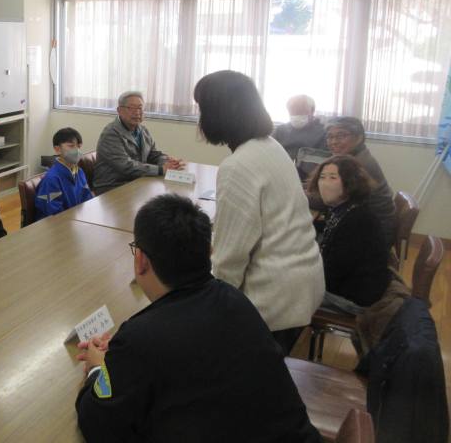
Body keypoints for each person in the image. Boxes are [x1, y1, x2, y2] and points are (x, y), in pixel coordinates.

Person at [75, 194, 321, 443]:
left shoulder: (140, 339)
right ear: (209, 253)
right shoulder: (236, 300)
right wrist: (121, 360)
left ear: (140, 260)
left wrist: (99, 368)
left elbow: (98, 424)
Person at [193, 70, 324, 352]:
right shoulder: (271, 146)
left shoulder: (238, 165)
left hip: (272, 299)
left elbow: (230, 259)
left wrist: (211, 310)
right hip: (302, 283)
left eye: (202, 109)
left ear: (217, 112)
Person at [306, 155, 392, 313]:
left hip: (354, 298)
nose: (324, 183)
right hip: (347, 284)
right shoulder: (345, 209)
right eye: (322, 177)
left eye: (332, 178)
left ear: (350, 183)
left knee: (283, 289)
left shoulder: (359, 221)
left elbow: (330, 276)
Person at [324, 116, 396, 248]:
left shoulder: (356, 164)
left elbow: (327, 199)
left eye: (341, 136)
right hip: (365, 224)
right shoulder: (355, 156)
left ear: (359, 138)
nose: (333, 142)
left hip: (372, 236)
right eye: (330, 136)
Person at [92, 91, 183, 195]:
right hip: (112, 187)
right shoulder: (111, 134)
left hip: (136, 181)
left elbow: (153, 154)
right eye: (131, 108)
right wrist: (161, 170)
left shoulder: (143, 130)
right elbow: (126, 166)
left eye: (140, 108)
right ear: (119, 110)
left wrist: (168, 162)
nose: (137, 112)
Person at [34, 128, 93, 219]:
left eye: (79, 146)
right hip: (56, 224)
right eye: (71, 146)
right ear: (57, 149)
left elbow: (87, 199)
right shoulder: (52, 179)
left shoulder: (79, 172)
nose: (77, 150)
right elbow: (54, 214)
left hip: (77, 220)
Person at [272, 94, 327, 161]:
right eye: (292, 112)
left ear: (312, 111)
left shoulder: (322, 133)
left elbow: (323, 159)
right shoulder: (280, 130)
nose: (296, 115)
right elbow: (269, 150)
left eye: (301, 111)